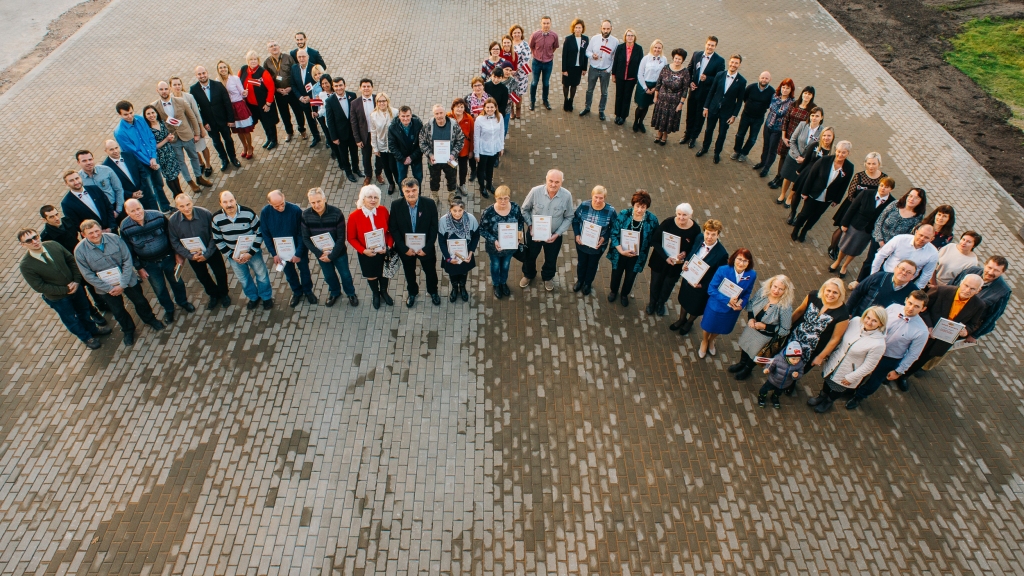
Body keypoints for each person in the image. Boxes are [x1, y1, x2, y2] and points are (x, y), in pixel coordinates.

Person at [18, 228, 111, 349]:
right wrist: (65, 290)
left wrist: (76, 281)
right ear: (23, 245)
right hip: (58, 298)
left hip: (76, 288)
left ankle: (93, 329)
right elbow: (39, 286)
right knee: (71, 319)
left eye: (35, 237)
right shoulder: (26, 265)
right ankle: (86, 337)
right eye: (29, 241)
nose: (34, 241)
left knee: (84, 311)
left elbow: (72, 261)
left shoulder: (53, 245)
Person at [75, 219, 164, 346]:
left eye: (96, 231)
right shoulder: (79, 251)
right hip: (106, 288)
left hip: (127, 280)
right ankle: (128, 330)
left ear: (101, 229)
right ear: (83, 234)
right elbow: (87, 275)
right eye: (90, 233)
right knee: (118, 310)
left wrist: (122, 284)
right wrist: (109, 287)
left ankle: (150, 319)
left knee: (140, 301)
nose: (95, 235)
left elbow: (127, 260)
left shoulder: (114, 239)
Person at [846, 292, 929, 407]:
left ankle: (858, 397)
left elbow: (913, 354)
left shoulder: (922, 331)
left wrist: (899, 371)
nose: (911, 308)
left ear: (923, 309)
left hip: (890, 357)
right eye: (910, 303)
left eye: (916, 306)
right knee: (859, 368)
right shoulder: (893, 308)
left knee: (874, 381)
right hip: (872, 347)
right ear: (906, 299)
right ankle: (849, 390)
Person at [119, 199, 195, 323]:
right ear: (127, 212)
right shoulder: (124, 227)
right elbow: (128, 251)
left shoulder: (158, 216)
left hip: (168, 258)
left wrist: (177, 254)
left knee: (177, 282)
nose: (137, 212)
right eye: (132, 211)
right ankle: (169, 310)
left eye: (138, 208)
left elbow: (172, 236)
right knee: (159, 289)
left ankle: (183, 302)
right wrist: (139, 267)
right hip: (148, 264)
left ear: (142, 206)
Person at [903, 275, 986, 381]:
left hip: (942, 341)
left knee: (922, 360)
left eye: (972, 289)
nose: (967, 290)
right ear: (961, 283)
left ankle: (904, 377)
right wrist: (929, 326)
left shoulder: (979, 305)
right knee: (908, 353)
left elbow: (973, 324)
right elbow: (923, 309)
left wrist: (967, 331)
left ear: (979, 290)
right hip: (925, 333)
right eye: (966, 285)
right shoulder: (941, 291)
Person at [807, 306, 887, 413]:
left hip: (848, 371)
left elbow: (869, 366)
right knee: (828, 380)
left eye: (874, 321)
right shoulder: (855, 321)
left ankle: (828, 402)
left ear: (881, 324)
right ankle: (822, 396)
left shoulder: (878, 344)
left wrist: (851, 377)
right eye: (868, 317)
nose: (869, 322)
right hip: (835, 361)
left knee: (837, 389)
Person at [39, 204, 108, 323]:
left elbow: (82, 232)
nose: (56, 218)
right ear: (44, 220)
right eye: (51, 217)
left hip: (81, 258)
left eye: (56, 214)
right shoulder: (46, 237)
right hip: (69, 266)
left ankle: (101, 303)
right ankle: (93, 313)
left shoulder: (67, 221)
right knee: (81, 291)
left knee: (92, 282)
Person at [212, 191, 274, 310]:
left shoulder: (248, 213)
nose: (229, 204)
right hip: (234, 256)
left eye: (231, 201)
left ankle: (266, 297)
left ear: (235, 200)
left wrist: (250, 253)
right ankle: (253, 298)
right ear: (220, 203)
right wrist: (230, 255)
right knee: (244, 279)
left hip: (252, 253)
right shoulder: (216, 219)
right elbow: (217, 239)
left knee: (261, 275)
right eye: (225, 202)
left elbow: (259, 233)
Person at [168, 193, 231, 310]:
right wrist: (189, 256)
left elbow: (215, 235)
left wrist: (207, 254)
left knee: (220, 273)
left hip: (211, 251)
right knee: (202, 276)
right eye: (182, 206)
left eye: (188, 204)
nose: (186, 208)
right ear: (177, 207)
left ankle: (223, 294)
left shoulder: (205, 214)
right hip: (193, 255)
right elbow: (174, 241)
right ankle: (213, 295)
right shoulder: (173, 221)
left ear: (192, 202)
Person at [729, 274, 796, 380]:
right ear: (771, 284)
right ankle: (741, 363)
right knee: (745, 346)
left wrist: (765, 326)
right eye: (775, 286)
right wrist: (751, 318)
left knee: (755, 353)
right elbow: (750, 305)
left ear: (786, 291)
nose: (776, 291)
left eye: (781, 289)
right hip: (751, 328)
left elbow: (785, 330)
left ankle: (747, 369)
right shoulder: (763, 292)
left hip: (765, 336)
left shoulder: (785, 307)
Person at [301, 187, 358, 307]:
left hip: (339, 253)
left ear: (324, 199)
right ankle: (335, 292)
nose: (316, 205)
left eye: (319, 201)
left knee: (345, 275)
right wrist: (319, 253)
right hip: (321, 254)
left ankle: (351, 293)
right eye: (313, 202)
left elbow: (341, 238)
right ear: (309, 202)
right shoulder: (305, 215)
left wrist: (332, 256)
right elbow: (306, 238)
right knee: (329, 276)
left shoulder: (336, 213)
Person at [670, 219, 728, 334]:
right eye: (707, 233)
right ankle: (681, 319)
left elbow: (718, 276)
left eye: (713, 234)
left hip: (701, 287)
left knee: (695, 307)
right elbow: (691, 253)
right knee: (684, 300)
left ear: (718, 235)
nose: (709, 237)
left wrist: (703, 285)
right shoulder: (699, 238)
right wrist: (686, 262)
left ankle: (689, 323)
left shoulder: (722, 254)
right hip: (689, 278)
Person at [856, 187, 927, 282]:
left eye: (916, 198)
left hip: (894, 247)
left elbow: (910, 235)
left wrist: (890, 246)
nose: (911, 199)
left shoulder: (918, 217)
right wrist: (880, 240)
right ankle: (859, 281)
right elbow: (879, 221)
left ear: (921, 201)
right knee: (870, 261)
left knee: (883, 266)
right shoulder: (895, 204)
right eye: (910, 196)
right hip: (879, 239)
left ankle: (873, 283)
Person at [829, 176, 895, 277]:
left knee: (856, 248)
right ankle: (838, 262)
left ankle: (845, 266)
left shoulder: (892, 203)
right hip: (856, 225)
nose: (883, 188)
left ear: (891, 189)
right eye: (881, 185)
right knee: (845, 245)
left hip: (869, 230)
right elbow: (852, 208)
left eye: (886, 187)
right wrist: (845, 223)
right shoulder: (866, 193)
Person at [790, 140, 854, 242]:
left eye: (844, 152)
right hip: (813, 193)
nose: (840, 154)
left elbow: (844, 185)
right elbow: (811, 176)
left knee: (815, 216)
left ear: (848, 153)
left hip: (828, 198)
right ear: (835, 150)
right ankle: (796, 229)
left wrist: (837, 200)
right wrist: (805, 192)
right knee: (804, 214)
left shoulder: (849, 167)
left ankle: (805, 231)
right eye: (839, 151)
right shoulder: (825, 160)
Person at [261, 190, 317, 307]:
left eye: (282, 204)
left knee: (305, 271)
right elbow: (266, 234)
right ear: (269, 203)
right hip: (281, 252)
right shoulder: (265, 212)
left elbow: (301, 233)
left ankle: (308, 291)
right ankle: (297, 292)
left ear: (284, 197)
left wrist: (298, 253)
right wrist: (274, 254)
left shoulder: (295, 210)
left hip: (298, 249)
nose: (281, 208)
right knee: (289, 273)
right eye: (276, 206)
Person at [389, 178, 440, 306]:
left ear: (418, 189)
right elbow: (393, 229)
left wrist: (427, 248)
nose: (411, 194)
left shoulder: (429, 204)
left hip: (425, 249)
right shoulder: (396, 206)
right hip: (406, 249)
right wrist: (404, 248)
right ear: (402, 191)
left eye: (414, 190)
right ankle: (412, 293)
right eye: (407, 191)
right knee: (409, 272)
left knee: (430, 272)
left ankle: (433, 291)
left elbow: (434, 228)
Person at [827, 154, 888, 261]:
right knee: (842, 228)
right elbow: (851, 194)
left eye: (874, 163)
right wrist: (859, 207)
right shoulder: (859, 176)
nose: (871, 166)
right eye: (869, 163)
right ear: (865, 164)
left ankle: (846, 250)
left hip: (869, 212)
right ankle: (833, 247)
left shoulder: (884, 178)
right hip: (853, 206)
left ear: (879, 164)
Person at [520, 169, 574, 291]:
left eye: (557, 182)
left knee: (551, 258)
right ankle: (528, 274)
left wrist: (558, 233)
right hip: (534, 234)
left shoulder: (567, 196)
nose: (553, 184)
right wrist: (530, 225)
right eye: (551, 181)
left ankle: (548, 277)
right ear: (546, 179)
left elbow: (569, 216)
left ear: (562, 182)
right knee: (530, 256)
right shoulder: (535, 192)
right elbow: (524, 209)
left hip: (554, 236)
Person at [114, 100, 172, 212]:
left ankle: (165, 207)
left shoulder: (140, 119)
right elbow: (133, 151)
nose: (130, 116)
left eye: (131, 112)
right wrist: (150, 161)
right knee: (148, 191)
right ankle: (155, 213)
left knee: (159, 185)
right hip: (141, 164)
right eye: (125, 114)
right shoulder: (120, 132)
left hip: (152, 159)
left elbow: (150, 138)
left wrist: (153, 158)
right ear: (119, 115)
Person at [152, 81, 210, 193]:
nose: (164, 91)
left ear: (169, 89)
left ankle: (199, 177)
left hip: (187, 135)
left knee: (194, 157)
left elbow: (192, 117)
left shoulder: (180, 101)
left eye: (165, 89)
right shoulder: (154, 106)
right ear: (157, 90)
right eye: (161, 89)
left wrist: (197, 133)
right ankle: (190, 181)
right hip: (172, 139)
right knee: (181, 161)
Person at [788, 278, 851, 379]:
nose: (830, 295)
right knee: (784, 361)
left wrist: (821, 357)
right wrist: (786, 327)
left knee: (797, 371)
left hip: (812, 349)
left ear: (840, 294)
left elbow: (835, 338)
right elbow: (799, 311)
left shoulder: (843, 314)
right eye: (828, 290)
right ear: (824, 289)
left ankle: (790, 384)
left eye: (835, 292)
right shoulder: (813, 296)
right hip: (794, 338)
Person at [699, 248, 757, 358]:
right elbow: (711, 289)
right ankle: (705, 341)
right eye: (739, 259)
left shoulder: (752, 275)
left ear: (749, 262)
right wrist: (727, 300)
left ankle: (712, 340)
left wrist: (741, 304)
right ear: (734, 259)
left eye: (745, 261)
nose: (741, 263)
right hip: (715, 306)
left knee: (720, 327)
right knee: (708, 326)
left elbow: (747, 292)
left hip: (731, 310)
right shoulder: (723, 270)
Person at [606, 190, 659, 306]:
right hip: (620, 253)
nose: (639, 210)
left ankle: (624, 294)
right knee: (616, 274)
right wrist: (621, 250)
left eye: (643, 207)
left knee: (630, 277)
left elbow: (655, 238)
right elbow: (614, 233)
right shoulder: (624, 214)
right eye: (637, 206)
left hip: (637, 256)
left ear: (647, 207)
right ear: (633, 204)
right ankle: (613, 291)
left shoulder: (652, 220)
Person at [647, 203, 700, 315]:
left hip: (677, 264)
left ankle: (661, 303)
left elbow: (695, 248)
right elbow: (655, 241)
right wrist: (666, 257)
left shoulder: (695, 229)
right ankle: (652, 303)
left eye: (684, 215)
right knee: (655, 283)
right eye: (679, 214)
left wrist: (686, 253)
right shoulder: (668, 223)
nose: (681, 217)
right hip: (660, 260)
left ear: (690, 215)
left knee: (668, 285)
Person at [347, 185, 395, 309]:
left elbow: (390, 231)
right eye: (369, 197)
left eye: (375, 197)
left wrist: (388, 246)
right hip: (366, 253)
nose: (373, 200)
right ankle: (375, 293)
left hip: (383, 250)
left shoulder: (383, 210)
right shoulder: (354, 216)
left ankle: (384, 292)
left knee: (384, 273)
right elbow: (351, 238)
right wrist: (363, 251)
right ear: (363, 198)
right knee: (372, 275)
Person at [696, 54, 746, 163]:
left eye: (736, 63)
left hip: (727, 113)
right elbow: (711, 92)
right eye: (732, 62)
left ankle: (717, 153)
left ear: (739, 65)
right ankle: (705, 148)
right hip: (713, 108)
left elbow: (740, 101)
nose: (733, 65)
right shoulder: (719, 75)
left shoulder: (742, 81)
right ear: (729, 62)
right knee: (709, 130)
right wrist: (706, 107)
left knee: (722, 134)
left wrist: (734, 116)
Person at [191, 65, 240, 171]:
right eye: (199, 74)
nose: (202, 76)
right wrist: (204, 122)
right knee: (216, 142)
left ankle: (233, 158)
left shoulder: (218, 85)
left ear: (207, 73)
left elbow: (227, 103)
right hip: (210, 123)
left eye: (203, 73)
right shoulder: (193, 90)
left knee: (228, 140)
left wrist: (230, 119)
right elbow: (196, 109)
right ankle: (224, 160)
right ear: (196, 76)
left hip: (223, 120)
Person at [479, 186, 525, 298]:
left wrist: (519, 235)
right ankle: (496, 284)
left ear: (509, 197)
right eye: (500, 198)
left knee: (505, 265)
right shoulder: (489, 212)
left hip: (510, 247)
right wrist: (494, 240)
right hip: (495, 248)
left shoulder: (515, 207)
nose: (503, 201)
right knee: (495, 265)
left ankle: (503, 283)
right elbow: (481, 229)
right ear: (495, 198)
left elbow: (520, 221)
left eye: (506, 198)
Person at [950, 256, 1011, 340]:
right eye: (989, 267)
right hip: (948, 312)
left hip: (965, 324)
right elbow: (951, 285)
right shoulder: (971, 271)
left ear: (1003, 272)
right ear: (985, 264)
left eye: (996, 270)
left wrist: (974, 335)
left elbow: (993, 316)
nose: (990, 272)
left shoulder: (1003, 292)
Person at [571, 185, 616, 296]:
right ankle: (580, 281)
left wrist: (604, 238)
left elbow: (614, 228)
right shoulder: (584, 206)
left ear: (605, 198)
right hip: (582, 243)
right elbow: (575, 220)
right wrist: (577, 234)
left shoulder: (610, 211)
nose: (598, 200)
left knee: (592, 264)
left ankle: (588, 283)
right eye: (596, 197)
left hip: (598, 246)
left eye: (601, 198)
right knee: (581, 263)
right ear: (592, 195)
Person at [766, 86, 815, 186]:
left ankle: (783, 179)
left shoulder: (812, 109)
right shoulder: (794, 104)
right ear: (802, 93)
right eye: (805, 93)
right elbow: (786, 119)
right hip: (787, 135)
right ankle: (778, 176)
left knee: (792, 160)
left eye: (809, 94)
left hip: (799, 139)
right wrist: (784, 136)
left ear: (812, 96)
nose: (806, 95)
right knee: (783, 157)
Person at [772, 106, 823, 203]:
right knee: (787, 177)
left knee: (797, 180)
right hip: (793, 156)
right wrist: (797, 156)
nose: (814, 118)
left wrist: (805, 159)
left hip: (806, 161)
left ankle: (790, 197)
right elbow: (792, 140)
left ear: (821, 117)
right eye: (812, 115)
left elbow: (819, 149)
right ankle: (782, 194)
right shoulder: (803, 124)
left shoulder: (822, 132)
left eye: (817, 116)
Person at [681, 36, 725, 147]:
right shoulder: (697, 54)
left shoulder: (719, 61)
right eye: (709, 44)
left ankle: (693, 137)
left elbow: (720, 78)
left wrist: (708, 79)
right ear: (705, 44)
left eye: (712, 45)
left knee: (699, 117)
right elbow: (689, 70)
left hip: (705, 94)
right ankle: (687, 134)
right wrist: (690, 82)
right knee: (690, 114)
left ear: (715, 47)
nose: (710, 47)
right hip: (694, 90)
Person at [785, 125, 834, 220]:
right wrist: (799, 171)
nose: (826, 138)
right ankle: (793, 212)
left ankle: (800, 216)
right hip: (807, 173)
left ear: (833, 137)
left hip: (819, 178)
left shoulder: (833, 152)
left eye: (829, 136)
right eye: (824, 135)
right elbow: (806, 160)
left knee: (808, 197)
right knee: (797, 193)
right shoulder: (815, 145)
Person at [438, 196, 480, 302]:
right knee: (452, 273)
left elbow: (476, 236)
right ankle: (454, 288)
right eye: (454, 210)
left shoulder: (471, 219)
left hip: (466, 254)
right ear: (450, 210)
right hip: (450, 255)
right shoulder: (443, 221)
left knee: (464, 272)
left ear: (464, 209)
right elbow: (441, 241)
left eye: (460, 210)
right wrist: (448, 258)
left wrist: (471, 252)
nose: (457, 213)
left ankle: (462, 287)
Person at [419, 104, 466, 201]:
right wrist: (430, 154)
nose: (439, 116)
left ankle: (452, 194)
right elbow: (422, 141)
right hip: (434, 161)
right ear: (434, 114)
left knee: (452, 178)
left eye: (441, 113)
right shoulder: (428, 126)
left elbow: (461, 140)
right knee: (434, 179)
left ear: (445, 113)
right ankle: (435, 196)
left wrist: (453, 154)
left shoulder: (454, 125)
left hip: (450, 160)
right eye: (437, 113)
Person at [170, 76, 212, 178]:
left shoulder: (188, 97)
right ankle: (200, 163)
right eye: (174, 85)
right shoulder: (170, 99)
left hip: (194, 127)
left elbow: (197, 114)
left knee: (202, 147)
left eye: (179, 84)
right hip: (182, 131)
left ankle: (208, 165)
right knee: (193, 150)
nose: (177, 86)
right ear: (170, 87)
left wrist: (201, 129)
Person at [871, 225, 938, 289]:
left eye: (926, 237)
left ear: (932, 239)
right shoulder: (900, 239)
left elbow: (927, 273)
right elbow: (881, 255)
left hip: (906, 283)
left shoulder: (933, 253)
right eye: (921, 235)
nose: (922, 239)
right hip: (886, 274)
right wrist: (874, 275)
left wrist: (916, 289)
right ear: (916, 232)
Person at [752, 78, 794, 177]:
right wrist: (777, 109)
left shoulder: (792, 103)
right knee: (765, 145)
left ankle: (766, 168)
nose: (785, 90)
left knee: (772, 150)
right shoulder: (775, 95)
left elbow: (780, 112)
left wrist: (776, 108)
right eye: (783, 87)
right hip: (768, 125)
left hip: (778, 129)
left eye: (787, 88)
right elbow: (775, 109)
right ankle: (762, 162)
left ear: (791, 90)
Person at [846, 260, 919, 316]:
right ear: (895, 269)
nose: (904, 273)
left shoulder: (913, 292)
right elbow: (857, 292)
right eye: (902, 269)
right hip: (859, 316)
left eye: (909, 272)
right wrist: (847, 312)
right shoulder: (878, 277)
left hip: (882, 328)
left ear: (913, 277)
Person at [264, 41, 303, 142]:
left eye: (275, 45)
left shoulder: (288, 57)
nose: (274, 47)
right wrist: (277, 89)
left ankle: (302, 129)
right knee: (284, 114)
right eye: (271, 46)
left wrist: (290, 86)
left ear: (279, 46)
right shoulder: (267, 62)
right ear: (268, 50)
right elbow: (267, 79)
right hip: (279, 93)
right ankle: (289, 132)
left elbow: (296, 72)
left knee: (298, 111)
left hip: (291, 90)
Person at [239, 51, 279, 150]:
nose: (253, 61)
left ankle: (274, 140)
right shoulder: (243, 70)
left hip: (264, 104)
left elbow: (271, 88)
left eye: (255, 59)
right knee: (263, 123)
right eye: (251, 59)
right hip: (251, 105)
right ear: (247, 61)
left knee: (269, 122)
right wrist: (242, 92)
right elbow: (238, 84)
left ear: (258, 60)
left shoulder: (263, 72)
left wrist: (268, 104)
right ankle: (269, 138)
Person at [325, 77, 362, 182]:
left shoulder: (352, 96)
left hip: (353, 132)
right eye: (336, 86)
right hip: (340, 135)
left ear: (344, 85)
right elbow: (330, 121)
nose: (339, 88)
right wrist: (334, 137)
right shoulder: (330, 101)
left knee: (354, 153)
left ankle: (356, 169)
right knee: (344, 155)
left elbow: (356, 114)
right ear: (333, 87)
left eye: (340, 85)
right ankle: (348, 172)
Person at [730, 71, 773, 162]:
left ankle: (744, 153)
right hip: (746, 115)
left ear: (770, 80)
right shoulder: (751, 87)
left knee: (752, 138)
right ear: (759, 78)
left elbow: (769, 105)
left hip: (758, 118)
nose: (764, 80)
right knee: (739, 135)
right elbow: (744, 98)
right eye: (762, 78)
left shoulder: (772, 92)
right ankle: (737, 151)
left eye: (766, 78)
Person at [102, 139, 156, 212]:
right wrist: (131, 194)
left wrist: (141, 189)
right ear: (106, 151)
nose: (115, 151)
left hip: (145, 194)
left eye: (116, 148)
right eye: (111, 149)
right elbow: (112, 187)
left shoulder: (129, 155)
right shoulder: (106, 167)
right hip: (130, 201)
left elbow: (142, 172)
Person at [143, 104, 183, 199]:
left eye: (153, 112)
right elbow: (154, 146)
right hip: (161, 155)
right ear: (145, 116)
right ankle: (176, 194)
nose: (151, 115)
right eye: (148, 114)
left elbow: (168, 135)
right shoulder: (148, 130)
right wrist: (166, 139)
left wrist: (170, 137)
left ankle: (180, 192)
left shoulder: (161, 122)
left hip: (170, 152)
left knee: (175, 174)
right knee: (169, 177)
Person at [650, 49, 689, 145]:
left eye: (679, 59)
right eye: (676, 58)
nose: (677, 60)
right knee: (661, 117)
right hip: (662, 99)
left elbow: (685, 90)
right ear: (673, 58)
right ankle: (659, 133)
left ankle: (665, 135)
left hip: (674, 101)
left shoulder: (685, 72)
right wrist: (656, 96)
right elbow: (659, 82)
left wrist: (681, 103)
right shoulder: (666, 68)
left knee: (669, 119)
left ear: (682, 60)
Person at [217, 61, 255, 159]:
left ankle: (250, 147)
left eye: (224, 67)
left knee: (245, 129)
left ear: (228, 68)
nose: (223, 69)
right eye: (220, 68)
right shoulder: (217, 81)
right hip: (229, 108)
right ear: (218, 70)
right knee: (238, 130)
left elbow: (241, 91)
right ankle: (245, 146)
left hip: (239, 105)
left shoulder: (235, 78)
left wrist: (245, 93)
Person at [580, 20, 616, 121]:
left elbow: (615, 58)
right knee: (589, 90)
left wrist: (609, 70)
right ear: (601, 28)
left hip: (605, 70)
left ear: (611, 28)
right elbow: (587, 51)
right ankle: (587, 108)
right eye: (604, 28)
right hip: (594, 68)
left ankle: (601, 110)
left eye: (608, 29)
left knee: (604, 92)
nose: (606, 31)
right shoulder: (595, 39)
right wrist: (592, 55)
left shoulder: (615, 42)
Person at [60, 170, 115, 234]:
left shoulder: (95, 189)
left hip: (111, 230)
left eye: (77, 178)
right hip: (92, 236)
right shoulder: (66, 203)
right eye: (71, 180)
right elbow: (76, 224)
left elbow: (109, 207)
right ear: (66, 184)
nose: (76, 182)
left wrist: (111, 227)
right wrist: (96, 232)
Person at [77, 149, 125, 223]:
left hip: (115, 206)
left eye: (90, 159)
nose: (88, 162)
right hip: (99, 212)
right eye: (84, 161)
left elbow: (118, 189)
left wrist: (118, 210)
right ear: (78, 162)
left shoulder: (106, 170)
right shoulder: (78, 179)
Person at [289, 49, 322, 148]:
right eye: (299, 57)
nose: (301, 59)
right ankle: (316, 137)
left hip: (315, 100)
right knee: (310, 119)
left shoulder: (314, 68)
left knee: (321, 119)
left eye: (303, 56)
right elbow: (293, 84)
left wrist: (310, 97)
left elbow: (320, 86)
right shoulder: (294, 68)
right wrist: (300, 97)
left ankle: (329, 138)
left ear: (308, 56)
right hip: (302, 100)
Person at [757, 342, 804, 409]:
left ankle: (774, 398)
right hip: (773, 380)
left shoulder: (800, 364)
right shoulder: (778, 358)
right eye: (793, 359)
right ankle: (761, 397)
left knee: (778, 392)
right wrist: (767, 369)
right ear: (787, 355)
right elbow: (771, 364)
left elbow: (801, 373)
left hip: (785, 383)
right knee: (764, 389)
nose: (796, 361)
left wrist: (796, 375)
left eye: (798, 359)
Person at [474, 99, 504, 198]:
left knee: (490, 168)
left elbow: (501, 133)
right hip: (483, 149)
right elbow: (476, 137)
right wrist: (476, 153)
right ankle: (482, 187)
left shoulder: (500, 117)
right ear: (484, 108)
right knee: (481, 169)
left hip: (494, 148)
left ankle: (489, 184)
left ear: (495, 107)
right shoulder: (479, 119)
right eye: (487, 107)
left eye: (492, 107)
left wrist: (501, 147)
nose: (490, 109)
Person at [371, 92, 400, 195]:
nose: (382, 103)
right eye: (379, 101)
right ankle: (391, 183)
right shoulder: (373, 115)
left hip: (393, 145)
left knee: (393, 166)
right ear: (377, 102)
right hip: (382, 145)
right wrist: (375, 148)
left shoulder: (395, 112)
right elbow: (373, 132)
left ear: (387, 101)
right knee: (386, 167)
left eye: (384, 101)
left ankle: (399, 183)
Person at [528, 16, 560, 111]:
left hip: (548, 63)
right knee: (534, 83)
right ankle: (532, 101)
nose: (546, 25)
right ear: (541, 23)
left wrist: (548, 55)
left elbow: (554, 47)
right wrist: (536, 55)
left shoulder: (554, 36)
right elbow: (531, 46)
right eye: (544, 23)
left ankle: (545, 100)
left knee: (546, 83)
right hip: (536, 62)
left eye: (548, 23)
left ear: (550, 24)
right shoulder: (535, 35)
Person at [611, 28, 641, 125]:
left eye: (632, 35)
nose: (630, 37)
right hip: (620, 76)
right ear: (625, 37)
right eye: (628, 35)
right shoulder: (620, 47)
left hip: (631, 78)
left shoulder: (638, 49)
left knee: (627, 97)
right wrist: (613, 74)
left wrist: (637, 78)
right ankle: (617, 115)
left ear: (634, 37)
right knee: (619, 96)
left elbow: (640, 64)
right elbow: (615, 61)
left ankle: (623, 116)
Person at [349, 79, 377, 185]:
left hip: (377, 134)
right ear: (360, 88)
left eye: (368, 86)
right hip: (364, 135)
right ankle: (368, 175)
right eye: (364, 86)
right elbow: (354, 122)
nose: (366, 88)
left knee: (379, 156)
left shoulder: (378, 99)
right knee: (366, 157)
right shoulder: (355, 103)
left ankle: (378, 173)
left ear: (372, 87)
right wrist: (357, 139)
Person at [388, 106, 425, 185]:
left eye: (408, 116)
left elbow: (422, 143)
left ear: (411, 115)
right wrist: (402, 159)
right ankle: (403, 195)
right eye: (403, 116)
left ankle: (418, 195)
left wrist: (412, 157)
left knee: (418, 177)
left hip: (415, 157)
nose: (405, 118)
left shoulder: (418, 124)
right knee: (401, 179)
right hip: (401, 158)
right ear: (399, 116)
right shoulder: (393, 127)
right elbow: (392, 146)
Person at [561, 19, 589, 112]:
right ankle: (566, 100)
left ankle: (571, 101)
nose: (578, 29)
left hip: (578, 67)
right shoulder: (568, 39)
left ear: (582, 29)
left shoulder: (585, 39)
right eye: (576, 27)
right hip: (569, 67)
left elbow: (585, 55)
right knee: (566, 85)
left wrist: (584, 68)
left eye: (579, 28)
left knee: (574, 85)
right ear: (573, 29)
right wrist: (564, 69)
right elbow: (564, 55)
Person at [448, 98, 475, 195]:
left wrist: (471, 150)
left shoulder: (469, 118)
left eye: (461, 107)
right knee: (452, 168)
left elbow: (472, 135)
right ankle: (454, 185)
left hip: (464, 150)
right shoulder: (448, 117)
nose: (459, 109)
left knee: (463, 168)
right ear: (453, 108)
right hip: (451, 151)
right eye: (457, 107)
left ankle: (462, 184)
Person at [509, 24, 532, 120]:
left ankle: (518, 108)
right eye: (515, 33)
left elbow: (525, 59)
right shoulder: (509, 43)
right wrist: (509, 70)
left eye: (518, 32)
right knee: (510, 92)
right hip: (509, 73)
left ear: (521, 33)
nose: (517, 34)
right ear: (512, 34)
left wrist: (516, 69)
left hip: (521, 73)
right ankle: (511, 110)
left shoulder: (525, 45)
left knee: (519, 92)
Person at [484, 66, 511, 136]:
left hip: (498, 114)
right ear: (491, 75)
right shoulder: (485, 86)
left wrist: (495, 115)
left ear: (502, 78)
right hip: (486, 113)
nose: (496, 80)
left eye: (499, 78)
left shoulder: (504, 89)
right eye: (494, 77)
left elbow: (503, 105)